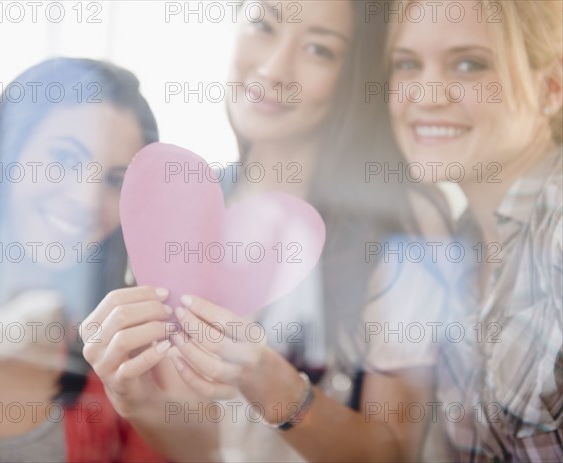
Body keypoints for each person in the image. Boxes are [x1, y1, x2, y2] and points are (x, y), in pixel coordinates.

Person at [81, 1, 441, 461]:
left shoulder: (405, 226)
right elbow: (213, 452)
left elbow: (395, 452)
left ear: (355, 74)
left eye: (318, 49)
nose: (274, 69)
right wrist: (140, 402)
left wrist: (269, 380)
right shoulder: (182, 213)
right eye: (262, 25)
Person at [0, 57, 165, 462]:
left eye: (113, 181)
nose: (85, 199)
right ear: (7, 151)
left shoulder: (128, 350)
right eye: (65, 160)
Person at [385, 0, 562, 460]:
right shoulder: (451, 245)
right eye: (406, 64)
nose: (427, 94)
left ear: (553, 86)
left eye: (468, 64)